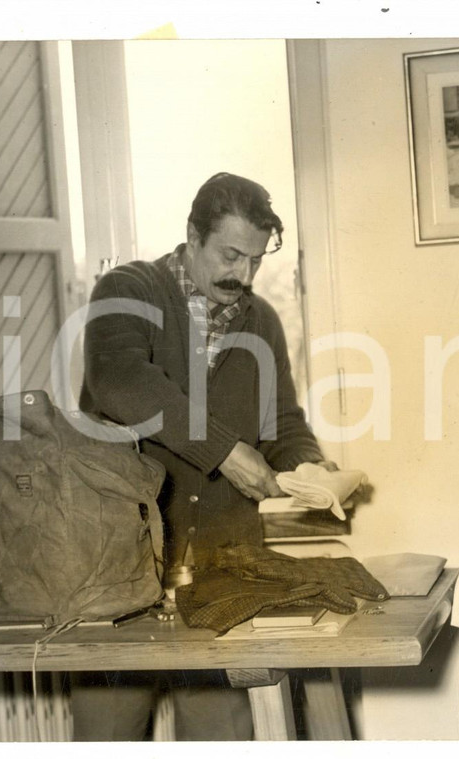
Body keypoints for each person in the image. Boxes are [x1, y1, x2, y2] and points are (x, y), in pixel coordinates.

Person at [70, 172, 331, 741]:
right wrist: (225, 451)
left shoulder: (261, 320)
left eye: (256, 260)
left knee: (222, 737)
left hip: (221, 568)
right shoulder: (128, 289)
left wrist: (310, 465)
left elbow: (282, 423)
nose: (243, 275)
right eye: (230, 254)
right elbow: (119, 379)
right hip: (118, 566)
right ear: (192, 234)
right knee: (105, 735)